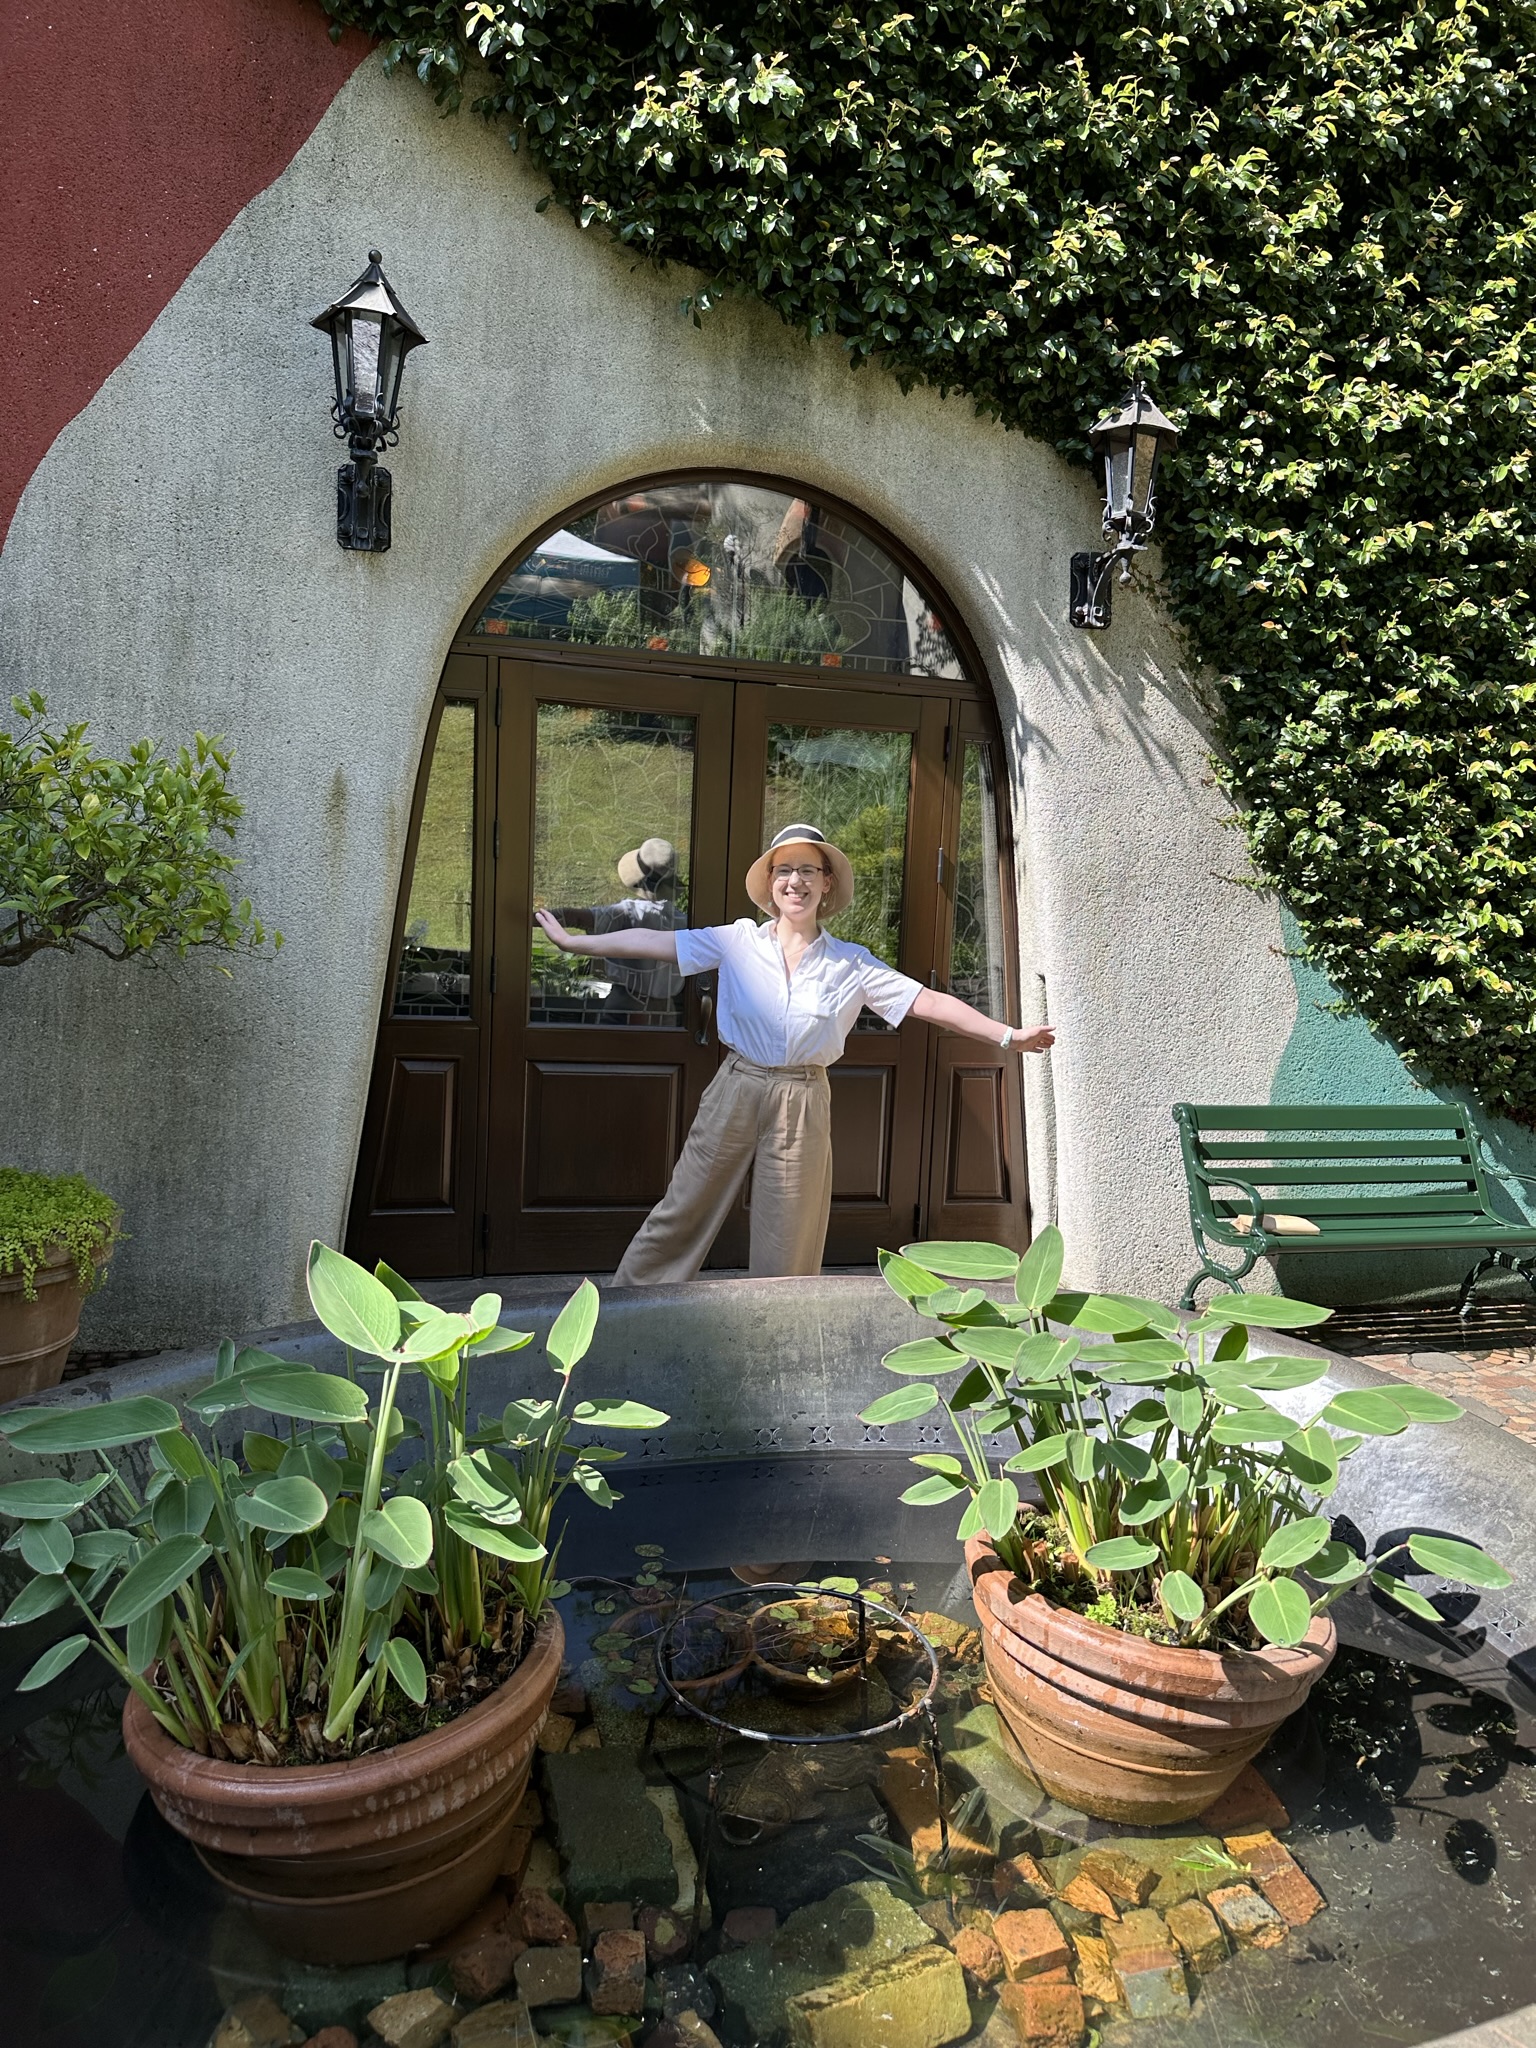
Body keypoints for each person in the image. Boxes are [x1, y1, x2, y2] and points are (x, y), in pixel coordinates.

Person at [533, 822, 1056, 1283]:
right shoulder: (738, 941)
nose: (796, 881)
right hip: (737, 1083)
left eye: (809, 870)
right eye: (785, 870)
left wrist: (1008, 1036)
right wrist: (579, 944)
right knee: (684, 1207)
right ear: (771, 884)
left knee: (790, 1232)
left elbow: (928, 1001)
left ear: (826, 884)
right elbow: (656, 942)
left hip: (801, 1097)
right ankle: (629, 1309)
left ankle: (779, 1333)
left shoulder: (853, 963)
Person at [544, 837, 685, 1016]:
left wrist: (531, 919)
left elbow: (577, 918)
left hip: (626, 1006)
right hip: (667, 1012)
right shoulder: (682, 921)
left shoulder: (628, 913)